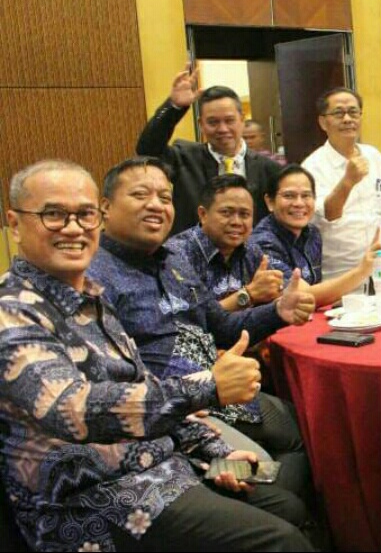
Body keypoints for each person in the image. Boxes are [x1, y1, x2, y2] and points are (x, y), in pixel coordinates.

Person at [0, 160, 312, 551]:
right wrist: (207, 387)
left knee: (288, 504)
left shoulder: (92, 298)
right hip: (93, 500)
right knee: (282, 540)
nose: (74, 228)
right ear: (15, 224)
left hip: (160, 461)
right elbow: (72, 409)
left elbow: (143, 383)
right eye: (54, 215)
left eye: (84, 215)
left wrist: (214, 450)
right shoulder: (13, 311)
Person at [86, 157, 316, 503]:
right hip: (179, 413)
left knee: (309, 432)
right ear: (105, 206)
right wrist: (181, 408)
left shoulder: (173, 261)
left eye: (164, 197)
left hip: (224, 390)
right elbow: (113, 382)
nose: (155, 205)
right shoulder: (92, 276)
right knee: (267, 484)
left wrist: (278, 311)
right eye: (140, 195)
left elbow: (222, 327)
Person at [136, 63, 281, 235]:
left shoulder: (269, 169)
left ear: (242, 120)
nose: (222, 129)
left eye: (229, 121)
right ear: (201, 124)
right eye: (213, 122)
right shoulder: (184, 157)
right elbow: (147, 149)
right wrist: (174, 107)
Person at [301, 87, 381, 284]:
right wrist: (347, 182)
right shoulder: (312, 167)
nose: (347, 119)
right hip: (338, 278)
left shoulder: (374, 156)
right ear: (323, 122)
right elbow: (327, 214)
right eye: (339, 113)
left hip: (380, 273)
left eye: (353, 112)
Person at [250, 164, 381, 306]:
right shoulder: (262, 243)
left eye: (306, 196)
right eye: (289, 196)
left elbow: (315, 291)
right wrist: (362, 271)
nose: (299, 203)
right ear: (270, 202)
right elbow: (301, 296)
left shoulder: (312, 233)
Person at [166, 174, 283, 312]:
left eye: (244, 214)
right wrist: (248, 295)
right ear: (203, 214)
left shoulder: (252, 251)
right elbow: (189, 318)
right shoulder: (176, 254)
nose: (236, 222)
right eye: (226, 213)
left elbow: (275, 295)